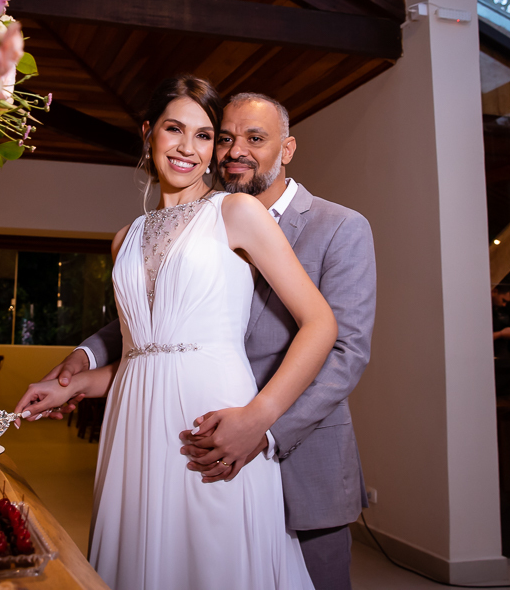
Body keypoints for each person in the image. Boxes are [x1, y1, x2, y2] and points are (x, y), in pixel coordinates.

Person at [30, 90, 376, 590]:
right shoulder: (150, 230)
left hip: (292, 446)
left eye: (253, 138)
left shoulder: (337, 226)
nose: (236, 150)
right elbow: (150, 332)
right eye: (227, 138)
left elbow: (342, 346)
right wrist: (77, 375)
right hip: (161, 424)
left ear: (288, 148)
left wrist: (262, 423)